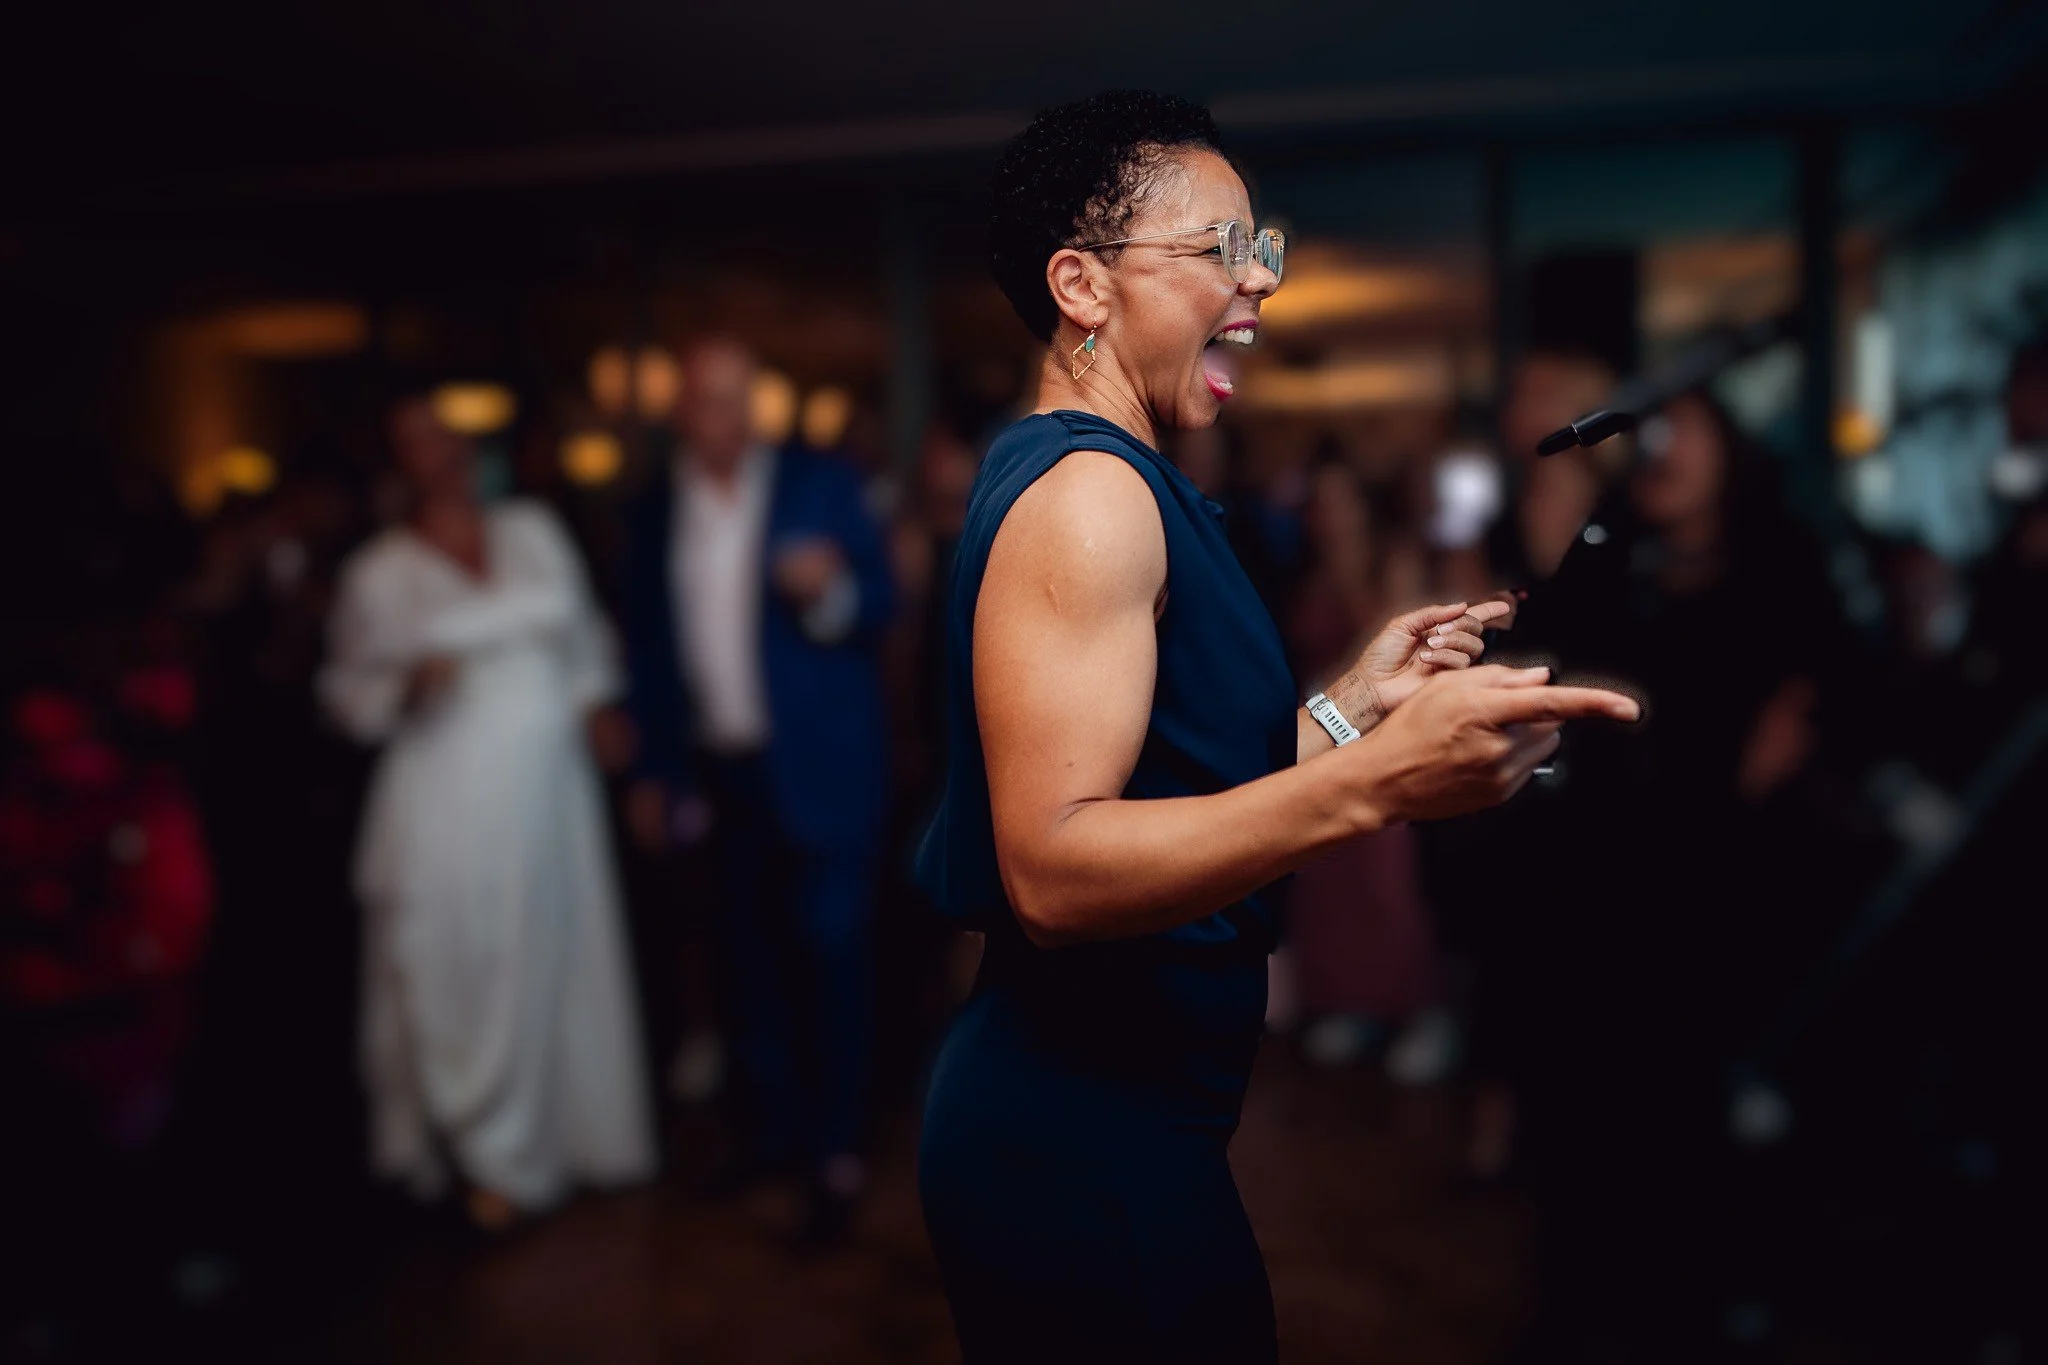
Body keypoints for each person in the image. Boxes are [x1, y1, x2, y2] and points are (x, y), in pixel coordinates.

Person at [913, 90, 1640, 1364]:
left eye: (1263, 246)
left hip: (1133, 1117)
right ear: (1081, 285)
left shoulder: (1124, 480)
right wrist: (1376, 787)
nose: (1256, 284)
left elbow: (1178, 783)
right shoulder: (1089, 498)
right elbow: (1052, 866)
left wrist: (1347, 712)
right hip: (1077, 1130)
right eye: (1217, 250)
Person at [321, 392, 655, 1230]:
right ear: (396, 462)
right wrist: (405, 685)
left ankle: (569, 1140)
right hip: (447, 798)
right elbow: (347, 694)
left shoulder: (533, 532)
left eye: (447, 437)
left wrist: (597, 708)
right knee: (460, 961)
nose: (438, 454)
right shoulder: (377, 573)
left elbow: (580, 640)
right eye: (416, 440)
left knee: (554, 951)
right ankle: (482, 1152)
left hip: (550, 795)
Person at [620, 337, 895, 1239]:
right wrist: (657, 769)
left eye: (738, 402)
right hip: (722, 771)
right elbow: (651, 652)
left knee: (830, 958)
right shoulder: (658, 509)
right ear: (682, 415)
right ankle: (769, 1136)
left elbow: (883, 602)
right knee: (747, 968)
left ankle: (836, 1151)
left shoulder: (819, 483)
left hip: (821, 772)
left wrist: (831, 594)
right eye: (707, 404)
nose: (724, 421)